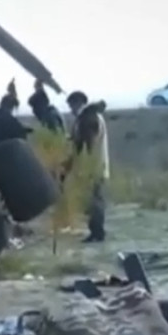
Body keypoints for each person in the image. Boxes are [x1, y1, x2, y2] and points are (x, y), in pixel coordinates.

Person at [67, 90, 110, 243]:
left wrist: (78, 162)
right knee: (94, 200)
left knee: (95, 201)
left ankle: (97, 233)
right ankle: (96, 231)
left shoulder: (88, 118)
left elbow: (87, 144)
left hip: (93, 167)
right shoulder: (93, 116)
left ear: (76, 103)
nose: (71, 110)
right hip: (96, 165)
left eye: (71, 106)